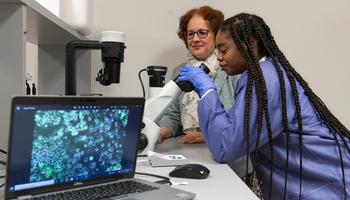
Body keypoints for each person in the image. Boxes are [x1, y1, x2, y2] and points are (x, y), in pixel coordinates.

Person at [177, 13, 350, 200]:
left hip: (328, 186)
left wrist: (207, 91)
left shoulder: (265, 79)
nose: (219, 57)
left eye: (224, 50)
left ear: (248, 44)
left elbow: (226, 147)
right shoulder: (264, 73)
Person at [156, 6, 265, 197]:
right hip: (193, 155)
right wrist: (160, 131)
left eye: (202, 33)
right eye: (190, 34)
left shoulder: (233, 67)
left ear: (216, 35)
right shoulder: (180, 71)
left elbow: (242, 119)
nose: (195, 39)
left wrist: (207, 133)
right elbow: (173, 113)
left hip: (234, 163)